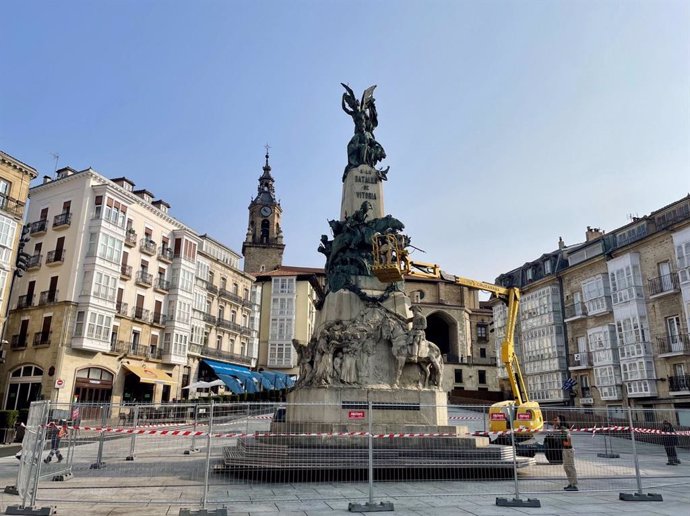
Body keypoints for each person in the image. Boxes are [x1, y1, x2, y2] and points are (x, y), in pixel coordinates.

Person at [553, 415, 578, 491]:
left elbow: (568, 437)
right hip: (565, 449)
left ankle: (574, 484)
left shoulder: (564, 429)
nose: (555, 421)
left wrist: (567, 444)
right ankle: (571, 483)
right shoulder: (560, 429)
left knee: (570, 467)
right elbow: (556, 437)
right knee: (566, 467)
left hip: (568, 450)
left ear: (560, 420)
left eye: (556, 420)